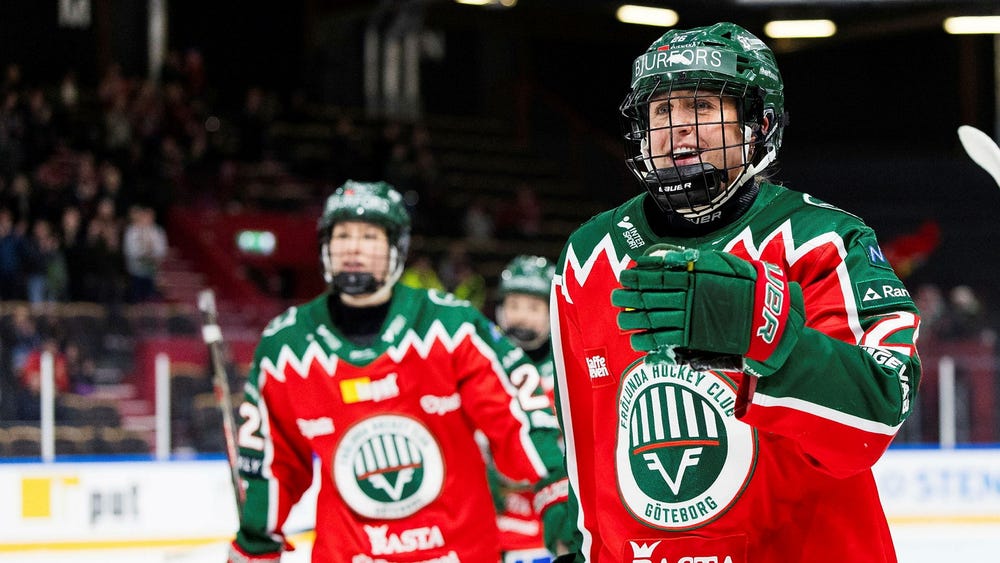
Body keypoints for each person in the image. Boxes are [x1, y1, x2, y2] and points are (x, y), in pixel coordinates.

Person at [550, 23, 921, 563]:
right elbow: (587, 445)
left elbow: (880, 411)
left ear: (759, 125)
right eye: (661, 112)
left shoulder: (822, 240)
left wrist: (769, 341)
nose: (677, 130)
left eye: (701, 106)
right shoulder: (588, 255)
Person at [227, 180, 569, 563]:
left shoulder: (452, 326)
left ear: (396, 248)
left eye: (370, 236)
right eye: (342, 235)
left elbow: (519, 419)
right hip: (349, 553)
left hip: (456, 551)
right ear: (326, 246)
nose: (353, 248)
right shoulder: (286, 346)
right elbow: (272, 461)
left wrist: (556, 493)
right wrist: (256, 540)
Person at [489, 255, 573, 562]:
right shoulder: (482, 365)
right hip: (496, 523)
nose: (521, 318)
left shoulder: (570, 369)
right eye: (514, 305)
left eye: (533, 308)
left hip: (554, 522)